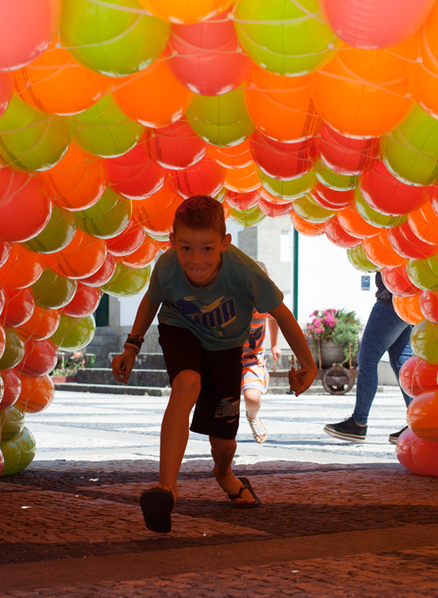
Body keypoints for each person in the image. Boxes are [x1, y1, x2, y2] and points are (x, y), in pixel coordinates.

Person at [112, 195, 318, 533]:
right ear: (172, 243)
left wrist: (308, 365)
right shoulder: (166, 267)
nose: (196, 260)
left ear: (225, 243)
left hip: (226, 348)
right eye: (186, 248)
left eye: (207, 248)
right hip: (181, 329)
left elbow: (282, 314)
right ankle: (166, 490)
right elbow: (151, 302)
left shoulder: (244, 272)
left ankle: (224, 474)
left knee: (223, 443)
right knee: (186, 382)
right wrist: (131, 347)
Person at [323, 272, 413, 444]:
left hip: (390, 299)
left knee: (367, 359)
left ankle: (358, 423)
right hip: (408, 300)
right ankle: (418, 423)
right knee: (402, 362)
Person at [241, 262, 281, 444]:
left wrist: (274, 345)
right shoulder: (234, 303)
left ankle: (252, 417)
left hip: (252, 359)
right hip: (227, 358)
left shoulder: (267, 304)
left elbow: (275, 319)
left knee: (252, 398)